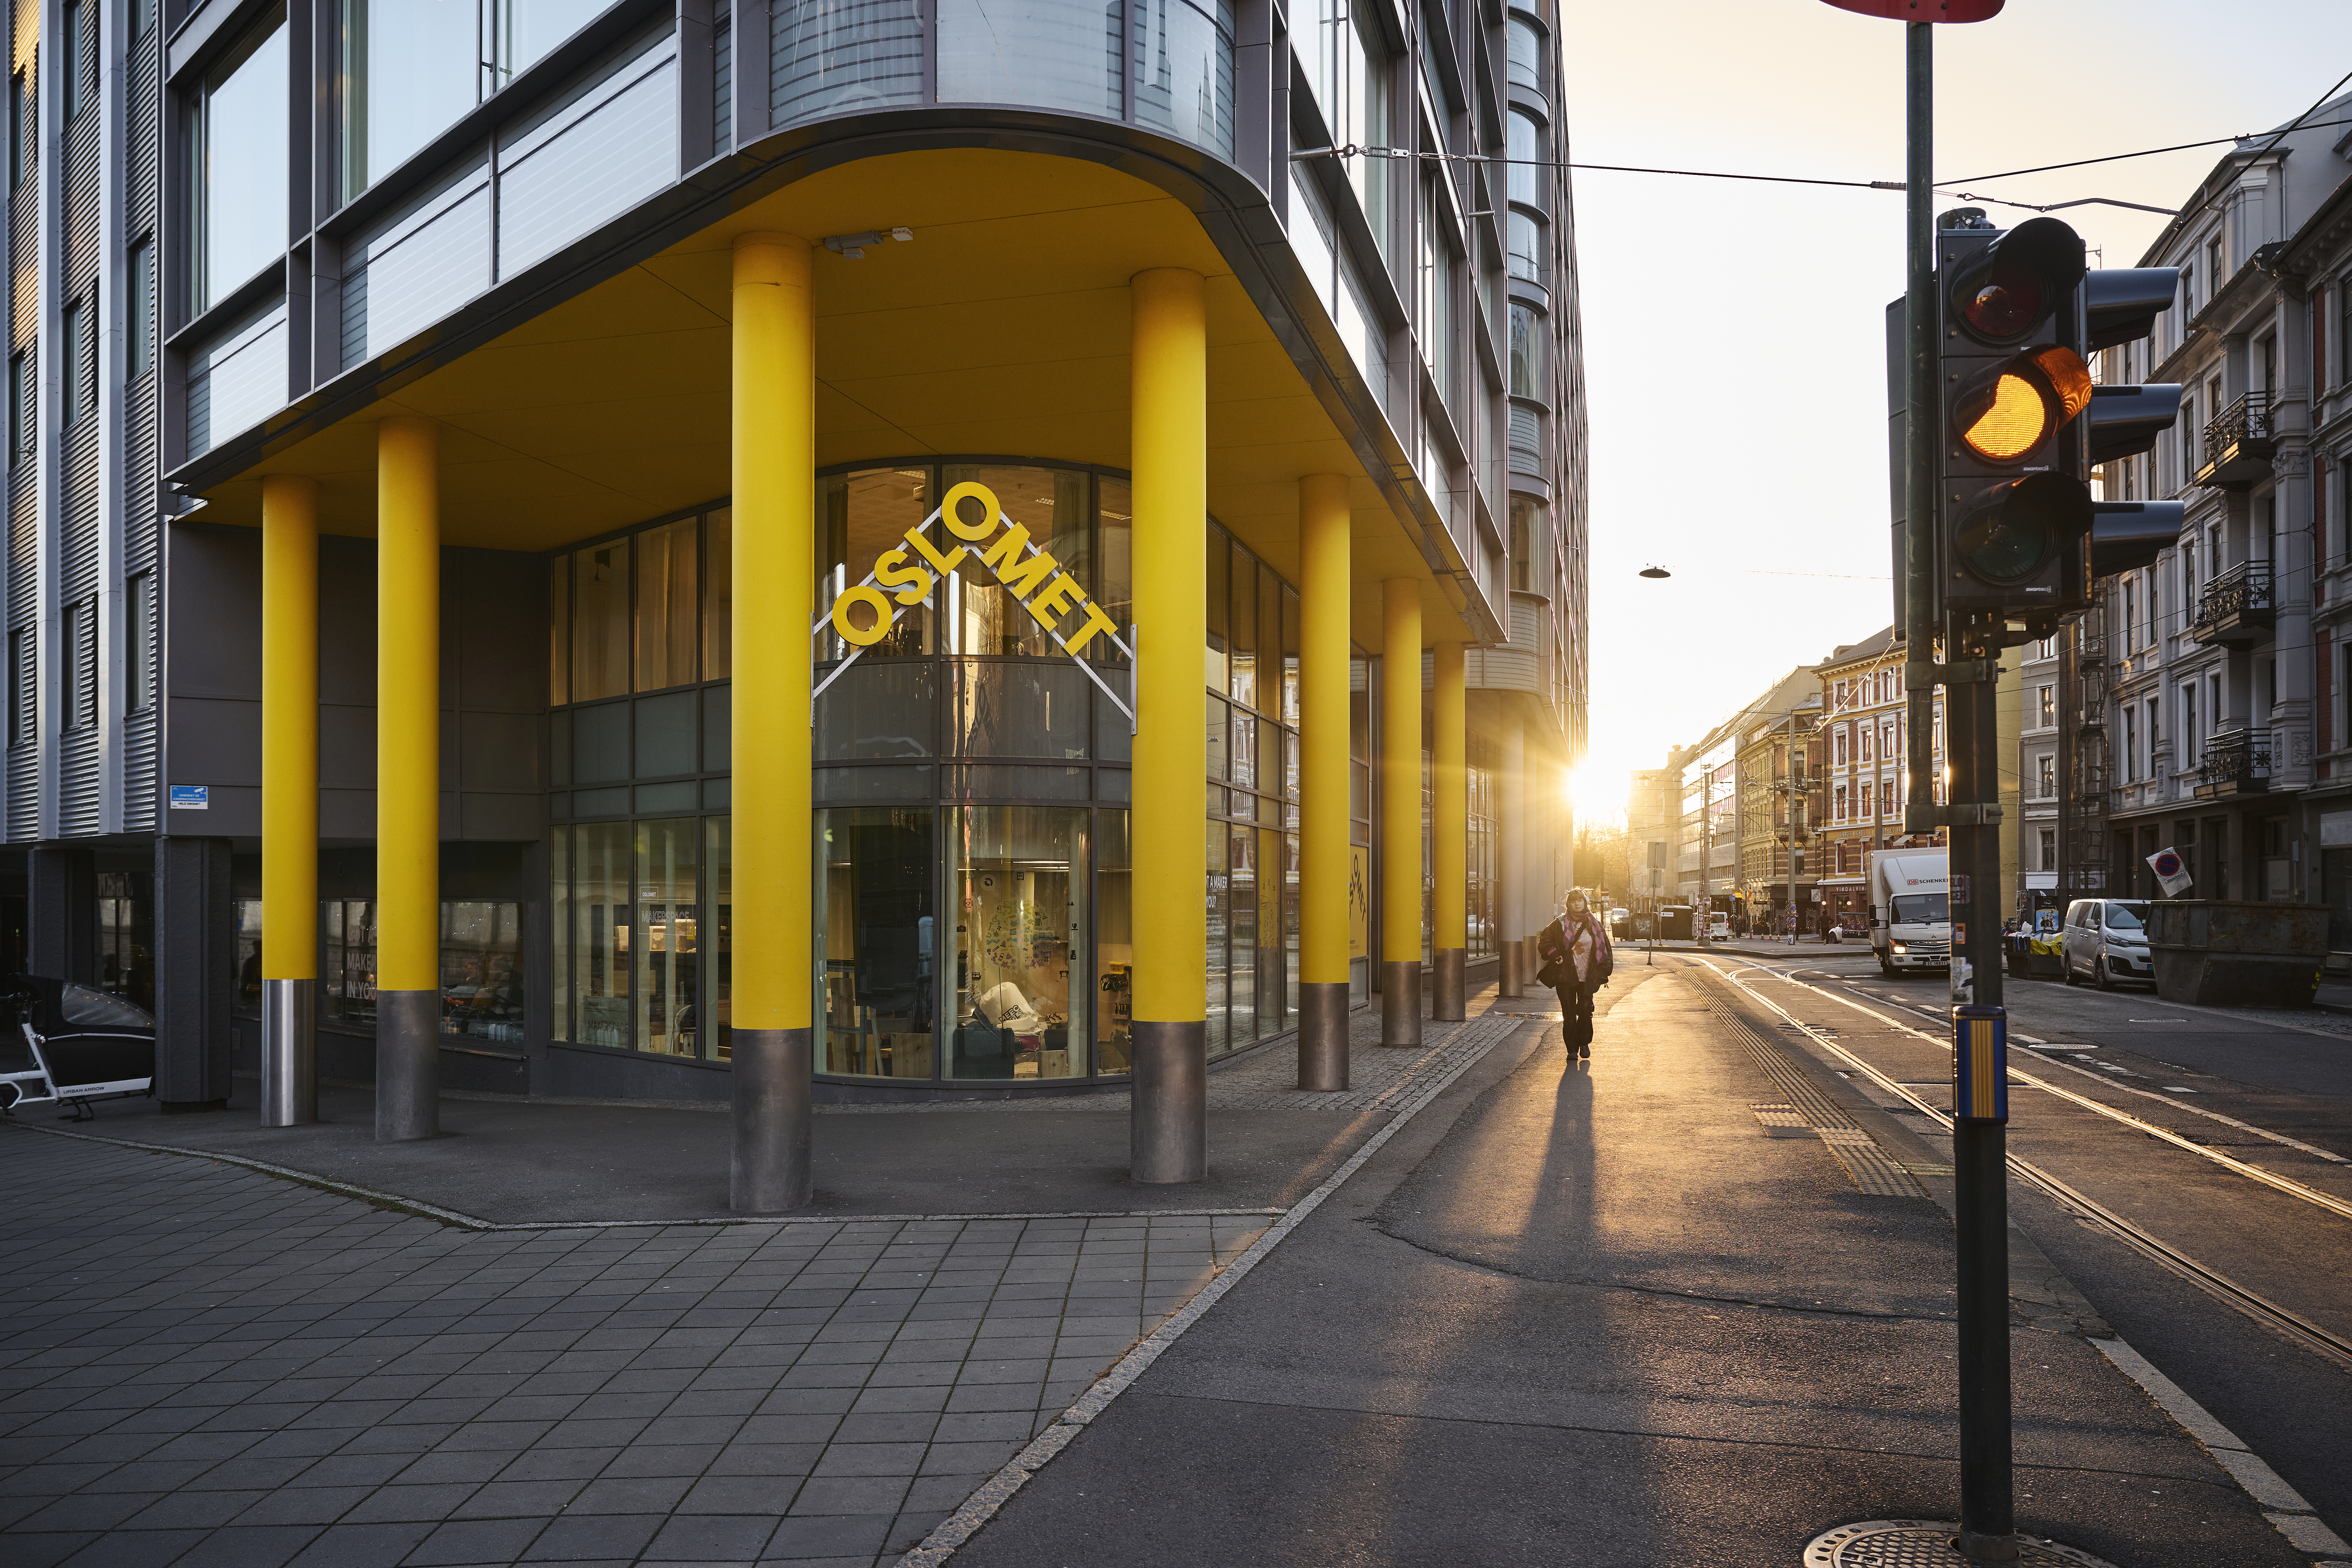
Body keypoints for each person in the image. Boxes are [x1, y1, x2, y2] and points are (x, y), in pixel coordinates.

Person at [1537, 889, 1612, 1063]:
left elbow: (1605, 950)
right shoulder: (1560, 923)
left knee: (1585, 1010)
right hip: (1566, 975)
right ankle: (1571, 1049)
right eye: (1573, 901)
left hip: (1588, 976)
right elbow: (1544, 941)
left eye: (1580, 901)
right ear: (1568, 904)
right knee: (1569, 1014)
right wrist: (1554, 954)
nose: (1577, 904)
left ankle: (1584, 1042)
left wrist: (1602, 973)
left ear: (1585, 903)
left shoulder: (1595, 925)